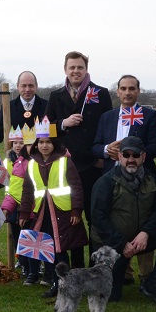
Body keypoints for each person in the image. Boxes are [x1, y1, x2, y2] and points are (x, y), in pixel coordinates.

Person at [92, 75, 156, 288]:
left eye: (132, 88)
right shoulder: (108, 117)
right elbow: (95, 146)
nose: (127, 92)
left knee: (141, 222)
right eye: (123, 88)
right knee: (118, 222)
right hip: (112, 179)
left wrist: (131, 154)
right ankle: (124, 271)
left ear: (138, 91)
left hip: (142, 180)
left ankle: (146, 275)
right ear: (118, 91)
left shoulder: (148, 116)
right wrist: (108, 151)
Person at [91, 136, 156, 307]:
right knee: (112, 296)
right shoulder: (106, 182)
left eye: (136, 155)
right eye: (126, 154)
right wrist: (122, 244)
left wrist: (145, 233)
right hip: (113, 244)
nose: (131, 159)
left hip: (139, 239)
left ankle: (155, 283)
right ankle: (116, 275)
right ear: (119, 157)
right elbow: (98, 217)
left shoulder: (152, 180)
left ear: (144, 157)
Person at [45, 51, 112, 266]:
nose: (76, 71)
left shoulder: (100, 93)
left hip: (92, 166)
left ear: (86, 69)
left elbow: (107, 127)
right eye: (72, 67)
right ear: (65, 69)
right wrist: (64, 123)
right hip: (65, 167)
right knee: (68, 218)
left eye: (80, 67)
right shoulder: (56, 96)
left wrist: (101, 156)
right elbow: (45, 130)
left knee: (95, 218)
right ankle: (72, 270)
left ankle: (97, 267)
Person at [20, 117, 88, 298]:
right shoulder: (32, 164)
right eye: (41, 142)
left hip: (63, 212)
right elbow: (27, 190)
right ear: (36, 144)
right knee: (48, 248)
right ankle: (56, 283)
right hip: (42, 213)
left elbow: (76, 186)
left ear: (55, 144)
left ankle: (71, 284)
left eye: (48, 142)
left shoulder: (65, 161)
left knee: (64, 248)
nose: (44, 146)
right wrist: (25, 212)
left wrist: (76, 210)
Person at [0, 126, 34, 279]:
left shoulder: (31, 162)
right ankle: (22, 261)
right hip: (11, 204)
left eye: (21, 142)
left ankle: (31, 266)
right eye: (15, 143)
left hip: (28, 204)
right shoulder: (7, 162)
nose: (18, 146)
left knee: (28, 236)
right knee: (16, 235)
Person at [0, 71, 47, 145]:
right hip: (16, 155)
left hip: (42, 155)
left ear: (36, 86)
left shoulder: (47, 106)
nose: (27, 89)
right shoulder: (8, 107)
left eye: (31, 85)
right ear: (18, 86)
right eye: (24, 86)